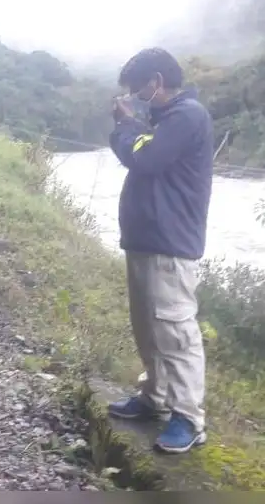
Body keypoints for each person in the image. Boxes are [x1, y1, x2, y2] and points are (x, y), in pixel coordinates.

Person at [107, 47, 213, 454]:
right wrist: (132, 127)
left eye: (138, 87)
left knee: (175, 330)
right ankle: (155, 397)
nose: (135, 94)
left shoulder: (187, 116)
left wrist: (125, 126)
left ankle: (188, 417)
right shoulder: (163, 119)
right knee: (148, 327)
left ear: (156, 81)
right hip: (146, 240)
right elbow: (142, 151)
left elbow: (145, 158)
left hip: (171, 244)